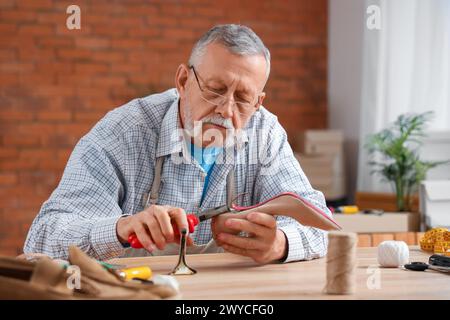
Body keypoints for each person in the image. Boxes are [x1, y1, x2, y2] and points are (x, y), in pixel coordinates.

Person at [24, 24, 331, 264]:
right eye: (215, 89)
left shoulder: (265, 133)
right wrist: (121, 229)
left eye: (243, 99)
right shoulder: (122, 133)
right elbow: (43, 239)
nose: (226, 109)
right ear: (183, 81)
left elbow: (322, 227)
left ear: (258, 102)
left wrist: (280, 244)